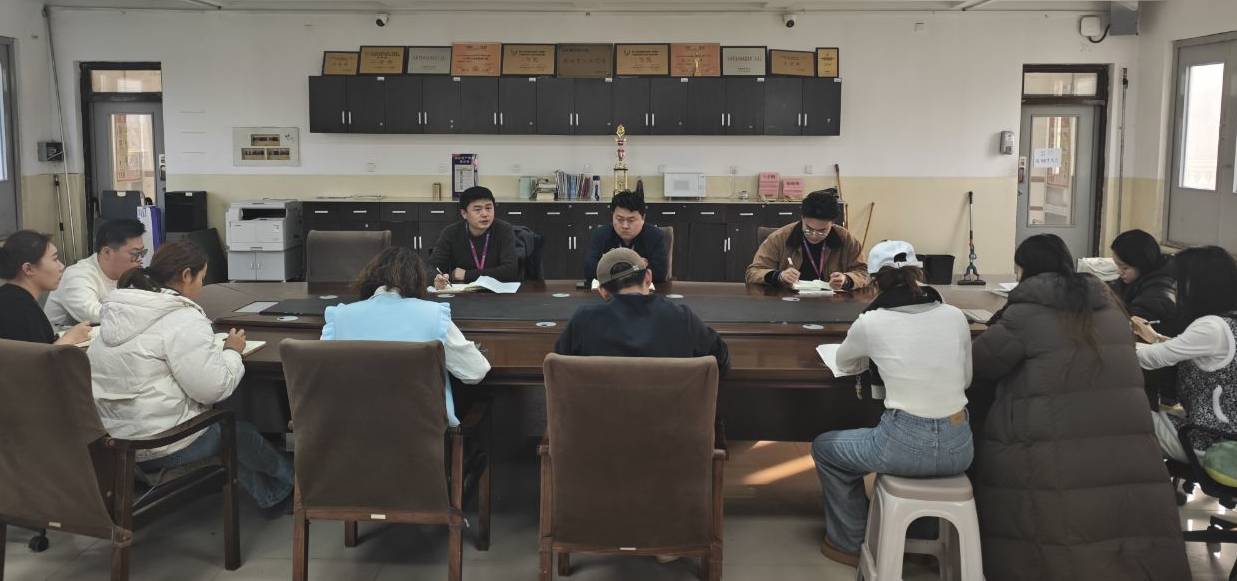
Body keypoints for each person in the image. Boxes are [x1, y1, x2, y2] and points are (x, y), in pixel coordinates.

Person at [969, 234, 1188, 580]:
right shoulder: (1111, 306)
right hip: (1122, 436)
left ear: (1025, 271)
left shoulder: (1025, 314)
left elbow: (980, 364)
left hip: (1052, 441)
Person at [88, 241, 294, 511]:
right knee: (237, 432)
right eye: (202, 278)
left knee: (223, 428)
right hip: (156, 446)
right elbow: (214, 389)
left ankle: (273, 493)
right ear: (186, 275)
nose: (201, 286)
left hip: (112, 443)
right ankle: (296, 483)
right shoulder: (182, 318)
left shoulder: (118, 311)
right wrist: (232, 352)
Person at [810, 240, 973, 567]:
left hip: (903, 445)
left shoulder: (872, 321)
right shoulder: (955, 316)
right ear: (919, 273)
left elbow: (844, 361)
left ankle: (849, 542)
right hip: (960, 445)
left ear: (873, 281)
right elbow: (965, 380)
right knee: (927, 466)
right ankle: (921, 540)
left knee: (825, 449)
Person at [321, 246, 490, 425]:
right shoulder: (433, 315)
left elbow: (321, 376)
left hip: (351, 432)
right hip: (421, 433)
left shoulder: (339, 317)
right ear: (418, 280)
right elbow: (475, 371)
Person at [555, 248, 730, 378]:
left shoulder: (583, 321)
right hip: (672, 417)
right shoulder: (682, 318)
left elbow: (559, 369)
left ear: (602, 291)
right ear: (648, 277)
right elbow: (722, 363)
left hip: (601, 417)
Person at [1133, 246, 1237, 463]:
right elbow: (1198, 351)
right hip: (1227, 433)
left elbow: (1152, 359)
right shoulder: (1228, 321)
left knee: (1122, 415)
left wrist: (1112, 351)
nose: (1176, 287)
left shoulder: (1212, 327)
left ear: (1200, 285)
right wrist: (1156, 338)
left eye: (1180, 281)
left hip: (1212, 444)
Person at [745, 190, 868, 290]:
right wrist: (779, 276)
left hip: (832, 302)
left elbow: (864, 273)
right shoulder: (779, 238)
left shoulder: (846, 240)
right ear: (802, 218)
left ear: (832, 223)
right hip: (789, 301)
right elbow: (753, 272)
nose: (814, 235)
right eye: (809, 229)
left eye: (822, 230)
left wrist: (846, 279)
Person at [44, 218, 146, 326]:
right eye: (135, 253)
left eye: (142, 252)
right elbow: (92, 314)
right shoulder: (77, 275)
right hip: (59, 336)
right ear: (107, 252)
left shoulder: (128, 273)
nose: (140, 259)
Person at [0, 230, 91, 345]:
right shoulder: (17, 307)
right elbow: (33, 356)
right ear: (28, 269)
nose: (62, 266)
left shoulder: (13, 298)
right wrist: (69, 339)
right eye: (55, 259)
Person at [429, 186, 518, 289]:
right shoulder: (450, 233)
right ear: (464, 214)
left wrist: (466, 274)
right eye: (477, 209)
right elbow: (432, 268)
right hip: (462, 292)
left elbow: (510, 271)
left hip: (497, 292)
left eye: (489, 208)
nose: (485, 214)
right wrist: (436, 279)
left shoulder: (504, 229)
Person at [582, 190, 669, 283]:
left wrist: (609, 266)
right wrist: (637, 265)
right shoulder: (600, 234)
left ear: (643, 218)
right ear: (612, 216)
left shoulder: (656, 236)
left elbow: (659, 274)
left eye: (631, 220)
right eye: (620, 219)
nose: (625, 226)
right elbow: (590, 272)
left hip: (642, 291)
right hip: (611, 291)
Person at [1109, 229, 1177, 335]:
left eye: (1124, 267)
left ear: (1141, 264)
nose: (1119, 272)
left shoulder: (1158, 292)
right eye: (1117, 265)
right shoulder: (1137, 277)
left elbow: (1136, 326)